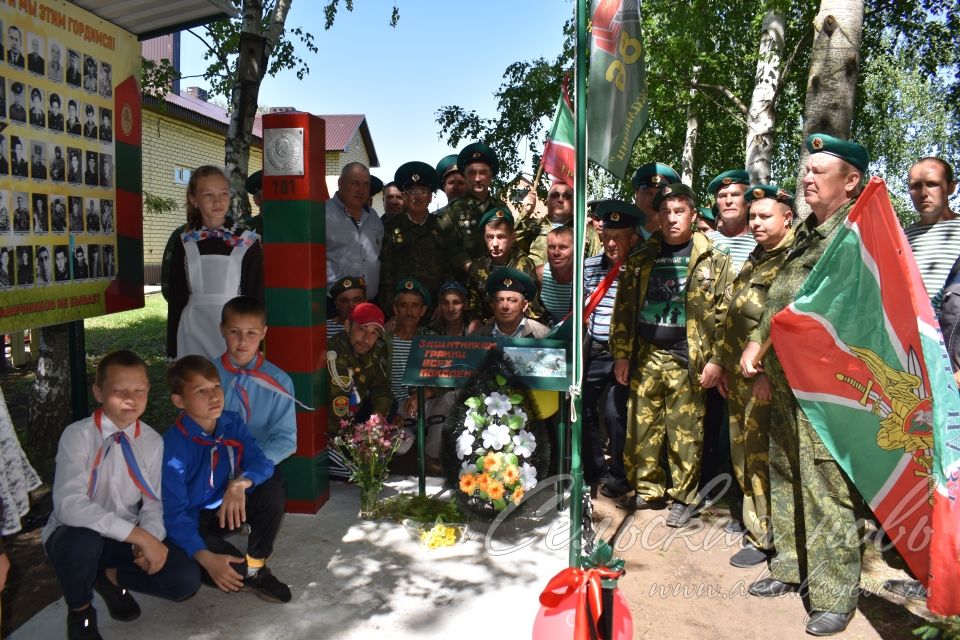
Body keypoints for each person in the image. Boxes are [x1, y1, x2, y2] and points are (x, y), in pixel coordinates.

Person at [740, 133, 870, 636]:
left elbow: (827, 310)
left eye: (820, 170)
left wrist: (766, 343)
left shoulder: (852, 237)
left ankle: (835, 593)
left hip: (827, 387)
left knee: (826, 486)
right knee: (787, 475)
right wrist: (761, 353)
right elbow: (779, 301)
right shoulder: (808, 237)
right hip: (785, 382)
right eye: (806, 169)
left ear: (851, 181)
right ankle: (791, 567)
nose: (807, 177)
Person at [42, 351, 201, 640]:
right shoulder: (78, 435)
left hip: (122, 536)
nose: (131, 398)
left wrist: (149, 538)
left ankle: (109, 578)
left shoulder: (151, 441)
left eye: (139, 390)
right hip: (75, 533)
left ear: (148, 392)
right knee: (81, 543)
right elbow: (69, 506)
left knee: (185, 579)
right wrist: (138, 536)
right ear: (98, 392)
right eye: (119, 391)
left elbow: (154, 501)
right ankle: (80, 613)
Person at [610, 183, 731, 527]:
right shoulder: (642, 258)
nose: (672, 218)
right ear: (658, 217)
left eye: (680, 212)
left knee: (685, 431)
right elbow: (624, 309)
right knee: (642, 427)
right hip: (646, 354)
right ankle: (649, 489)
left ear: (693, 215)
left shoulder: (714, 260)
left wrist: (717, 360)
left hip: (688, 357)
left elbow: (726, 315)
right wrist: (621, 354)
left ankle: (684, 496)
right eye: (665, 212)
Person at [162, 356, 291, 603]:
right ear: (179, 401)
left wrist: (240, 483)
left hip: (224, 509)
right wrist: (203, 555)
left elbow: (261, 462)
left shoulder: (230, 422)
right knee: (233, 573)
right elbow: (173, 514)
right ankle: (208, 560)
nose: (213, 397)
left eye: (216, 386)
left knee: (273, 480)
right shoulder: (173, 448)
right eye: (201, 390)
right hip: (190, 521)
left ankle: (257, 566)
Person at [716, 184, 795, 568]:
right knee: (742, 451)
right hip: (739, 372)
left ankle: (764, 536)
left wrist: (769, 377)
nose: (756, 222)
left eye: (765, 216)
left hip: (765, 378)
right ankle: (752, 519)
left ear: (788, 219)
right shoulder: (758, 255)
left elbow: (784, 323)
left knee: (760, 455)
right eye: (753, 217)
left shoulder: (791, 261)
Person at [164, 165, 264, 361]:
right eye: (208, 195)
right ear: (194, 200)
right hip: (192, 330)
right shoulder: (184, 241)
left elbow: (256, 298)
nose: (218, 201)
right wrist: (172, 351)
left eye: (223, 194)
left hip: (235, 332)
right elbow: (177, 298)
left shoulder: (248, 240)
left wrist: (256, 344)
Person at [582, 200, 645, 498]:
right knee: (580, 406)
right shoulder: (590, 266)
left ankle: (620, 473)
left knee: (615, 413)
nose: (610, 243)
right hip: (595, 349)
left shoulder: (642, 269)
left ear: (633, 238)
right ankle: (596, 470)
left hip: (628, 354)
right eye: (606, 236)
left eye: (618, 237)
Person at [214, 296, 297, 466]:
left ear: (263, 333)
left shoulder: (279, 381)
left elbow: (285, 439)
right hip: (212, 462)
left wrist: (253, 466)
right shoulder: (207, 374)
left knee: (271, 492)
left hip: (259, 461)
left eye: (251, 332)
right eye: (234, 331)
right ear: (222, 330)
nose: (242, 340)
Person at [378, 161, 458, 314]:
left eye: (422, 192)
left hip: (436, 309)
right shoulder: (391, 227)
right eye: (411, 192)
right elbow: (385, 275)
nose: (417, 197)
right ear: (404, 196)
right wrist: (389, 311)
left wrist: (445, 303)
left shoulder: (442, 226)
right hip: (401, 310)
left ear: (430, 197)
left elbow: (451, 270)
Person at [327, 302, 393, 480]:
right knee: (357, 472)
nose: (367, 338)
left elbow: (382, 390)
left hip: (354, 417)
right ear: (348, 325)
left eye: (374, 332)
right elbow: (335, 412)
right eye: (362, 329)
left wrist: (377, 421)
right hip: (328, 430)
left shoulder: (377, 350)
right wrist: (357, 444)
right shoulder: (332, 354)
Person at [465, 205, 540, 324]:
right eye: (490, 237)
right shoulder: (477, 267)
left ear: (512, 238)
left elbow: (534, 309)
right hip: (488, 329)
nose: (495, 243)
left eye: (501, 237)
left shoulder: (523, 265)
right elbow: (473, 306)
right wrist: (479, 321)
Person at [437, 142, 503, 269]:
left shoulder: (501, 208)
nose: (477, 178)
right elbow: (450, 248)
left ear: (491, 176)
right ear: (466, 177)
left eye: (483, 172)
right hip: (464, 279)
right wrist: (472, 268)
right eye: (472, 173)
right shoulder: (452, 211)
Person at [904, 157, 959, 302]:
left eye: (932, 184)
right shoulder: (901, 238)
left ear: (951, 187)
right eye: (915, 186)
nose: (923, 193)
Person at [325, 162, 383, 301]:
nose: (361, 190)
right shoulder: (322, 214)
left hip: (369, 304)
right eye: (355, 183)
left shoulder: (374, 217)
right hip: (334, 306)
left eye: (366, 185)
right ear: (340, 183)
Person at [471, 268, 550, 338]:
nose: (505, 306)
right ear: (493, 305)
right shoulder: (476, 338)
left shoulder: (543, 335)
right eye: (499, 300)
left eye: (512, 300)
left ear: (524, 305)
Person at [521, 180, 574, 265]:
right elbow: (512, 247)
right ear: (547, 201)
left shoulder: (585, 231)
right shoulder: (532, 226)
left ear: (574, 202)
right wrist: (525, 212)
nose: (560, 200)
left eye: (566, 196)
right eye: (555, 196)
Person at [631, 162, 681, 238]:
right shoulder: (621, 235)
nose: (653, 199)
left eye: (660, 195)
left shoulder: (679, 241)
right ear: (636, 195)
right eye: (648, 193)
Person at [536, 226, 574, 327]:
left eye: (563, 247)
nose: (556, 253)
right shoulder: (540, 275)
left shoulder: (585, 275)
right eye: (552, 247)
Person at [327, 275, 366, 340]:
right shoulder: (323, 329)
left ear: (365, 302)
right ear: (336, 304)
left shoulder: (374, 327)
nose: (351, 306)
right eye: (344, 301)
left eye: (356, 300)